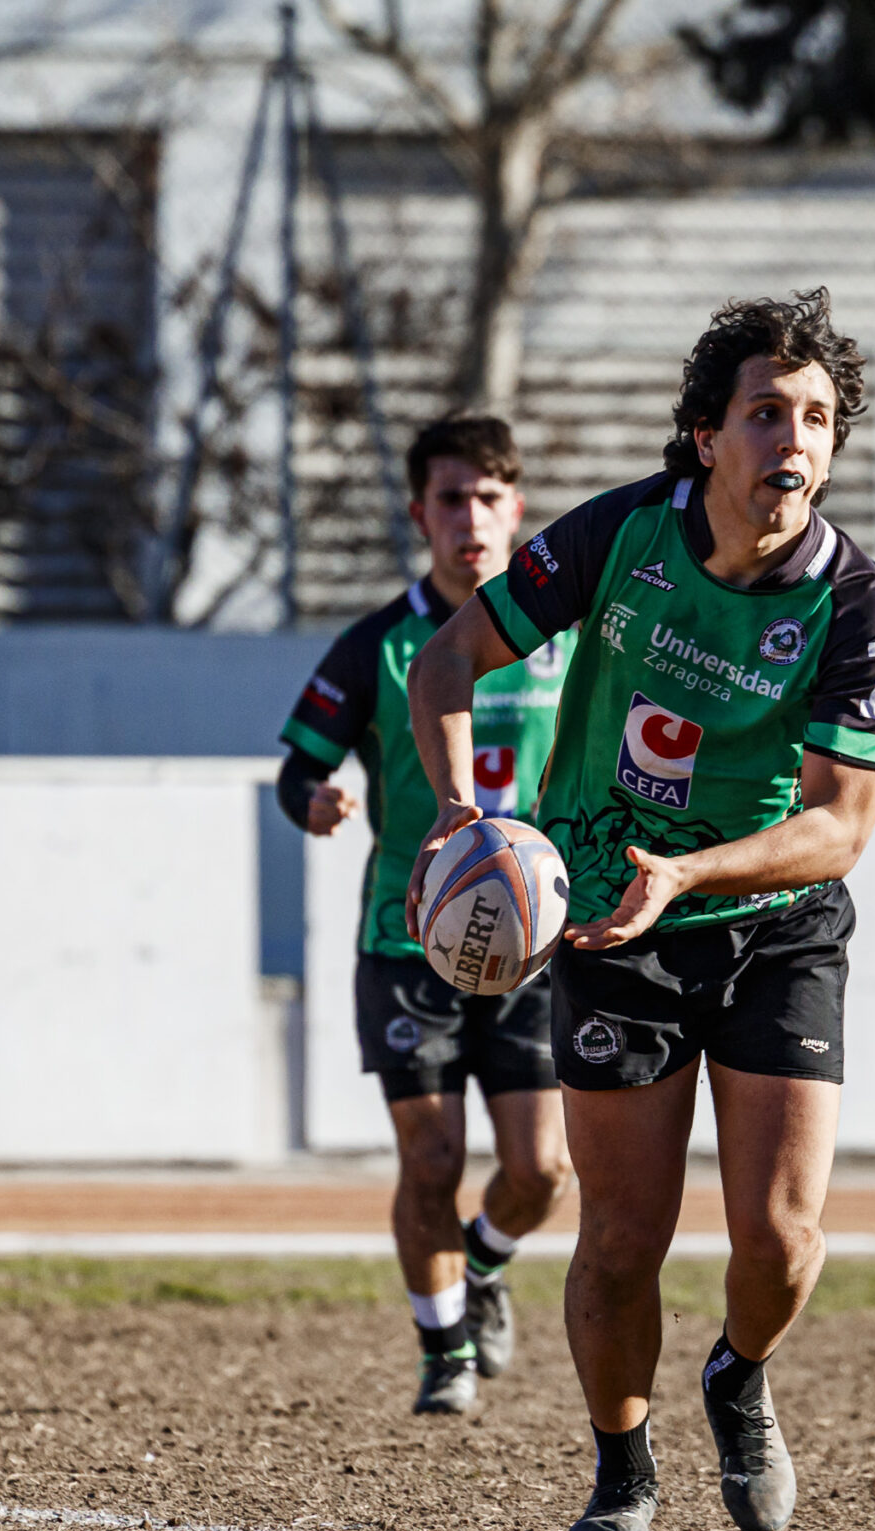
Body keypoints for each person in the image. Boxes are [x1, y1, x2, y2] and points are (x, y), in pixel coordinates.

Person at [405, 290, 875, 1531]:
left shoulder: (856, 609)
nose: (790, 440)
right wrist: (460, 817)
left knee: (782, 1238)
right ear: (704, 436)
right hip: (611, 926)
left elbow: (839, 826)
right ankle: (621, 1467)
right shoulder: (623, 533)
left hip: (775, 921)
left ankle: (738, 1375)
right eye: (762, 414)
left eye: (814, 419)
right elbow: (447, 661)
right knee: (623, 1237)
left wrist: (692, 873)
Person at [277, 416, 575, 1415]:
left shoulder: (561, 638)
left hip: (533, 948)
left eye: (490, 498)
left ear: (516, 511)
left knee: (539, 1173)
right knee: (432, 1159)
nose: (471, 518)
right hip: (408, 941)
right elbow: (296, 769)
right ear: (421, 515)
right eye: (451, 499)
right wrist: (311, 802)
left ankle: (483, 1264)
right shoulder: (378, 646)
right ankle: (442, 1347)